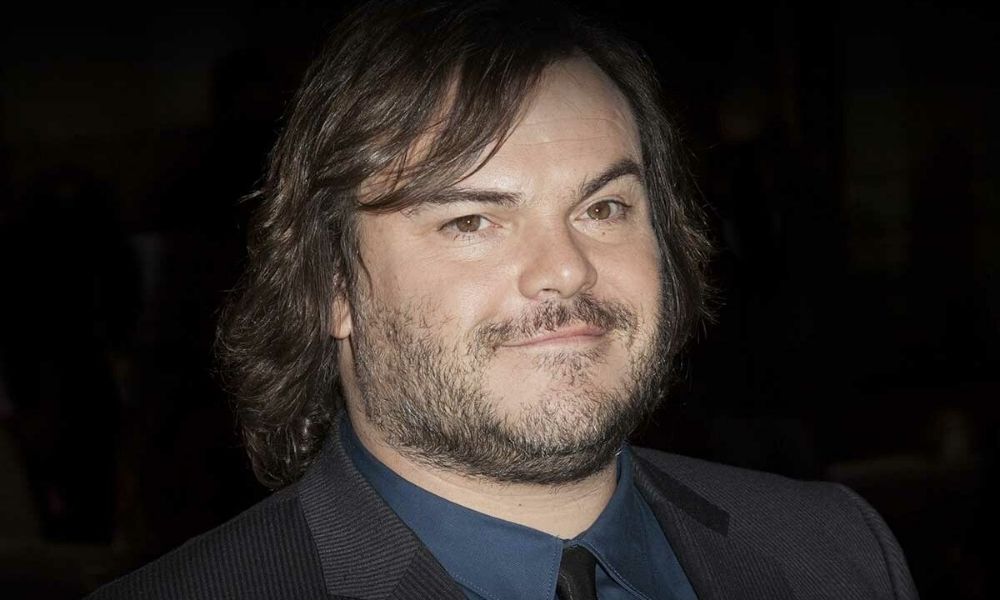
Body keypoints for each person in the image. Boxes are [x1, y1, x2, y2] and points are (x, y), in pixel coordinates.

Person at [89, 1, 918, 598]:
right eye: (472, 220)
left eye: (604, 208)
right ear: (330, 285)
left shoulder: (840, 552)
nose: (565, 270)